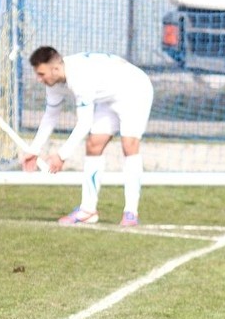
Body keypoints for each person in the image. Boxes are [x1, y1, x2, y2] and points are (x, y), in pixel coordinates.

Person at [24, 46, 154, 227]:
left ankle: (131, 212)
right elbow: (50, 116)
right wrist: (34, 150)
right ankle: (87, 210)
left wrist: (61, 156)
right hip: (108, 98)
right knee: (94, 145)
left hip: (134, 91)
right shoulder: (53, 83)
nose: (39, 79)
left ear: (55, 69)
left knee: (129, 145)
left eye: (41, 74)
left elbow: (84, 123)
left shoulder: (79, 77)